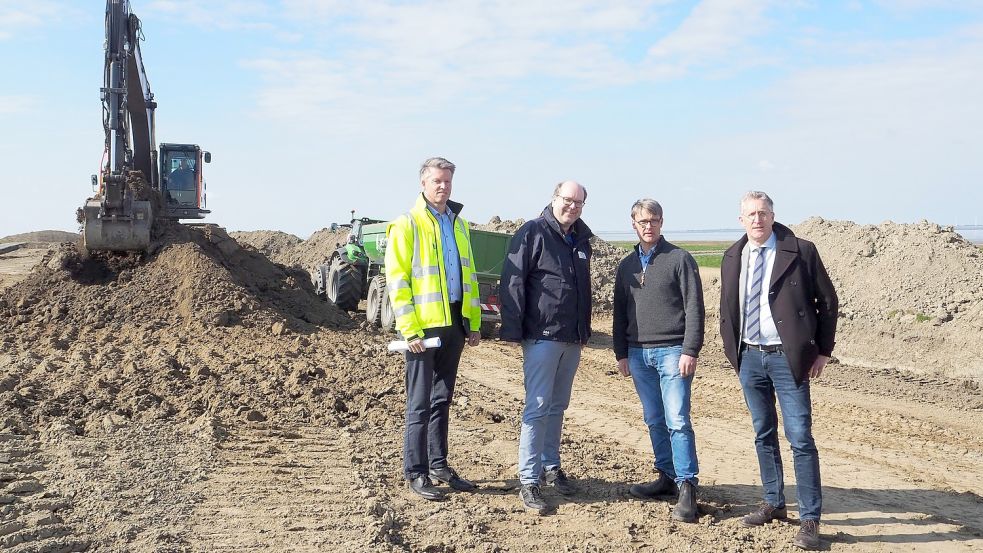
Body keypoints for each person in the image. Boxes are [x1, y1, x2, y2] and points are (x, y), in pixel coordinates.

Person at [719, 191, 838, 551]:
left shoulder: (801, 250)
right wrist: (734, 350)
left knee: (800, 437)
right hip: (750, 357)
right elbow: (729, 304)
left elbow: (828, 302)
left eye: (763, 213)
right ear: (741, 219)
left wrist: (822, 351)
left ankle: (810, 518)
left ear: (773, 215)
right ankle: (773, 501)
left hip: (789, 358)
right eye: (750, 214)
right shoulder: (732, 255)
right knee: (762, 433)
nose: (757, 219)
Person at [384, 156, 483, 501]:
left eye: (448, 182)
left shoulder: (459, 224)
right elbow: (398, 282)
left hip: (454, 322)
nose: (443, 187)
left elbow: (468, 277)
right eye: (437, 181)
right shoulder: (407, 224)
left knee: (442, 399)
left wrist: (472, 322)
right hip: (422, 330)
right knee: (420, 402)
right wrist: (409, 330)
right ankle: (416, 471)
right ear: (423, 184)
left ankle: (439, 464)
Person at [500, 180, 592, 515]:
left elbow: (583, 290)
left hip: (571, 337)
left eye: (579, 203)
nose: (573, 207)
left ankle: (551, 467)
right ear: (555, 198)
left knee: (558, 405)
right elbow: (512, 281)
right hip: (542, 336)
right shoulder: (533, 233)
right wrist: (513, 330)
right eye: (568, 200)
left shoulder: (581, 239)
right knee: (537, 406)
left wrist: (584, 330)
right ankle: (529, 479)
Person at [612, 199, 704, 523]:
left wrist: (690, 350)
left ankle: (687, 486)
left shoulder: (680, 259)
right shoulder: (625, 266)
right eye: (642, 221)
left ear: (662, 222)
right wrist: (620, 352)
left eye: (653, 220)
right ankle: (666, 475)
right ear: (633, 225)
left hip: (672, 352)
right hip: (638, 355)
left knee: (677, 419)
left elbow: (695, 308)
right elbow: (620, 312)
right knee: (654, 419)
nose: (647, 226)